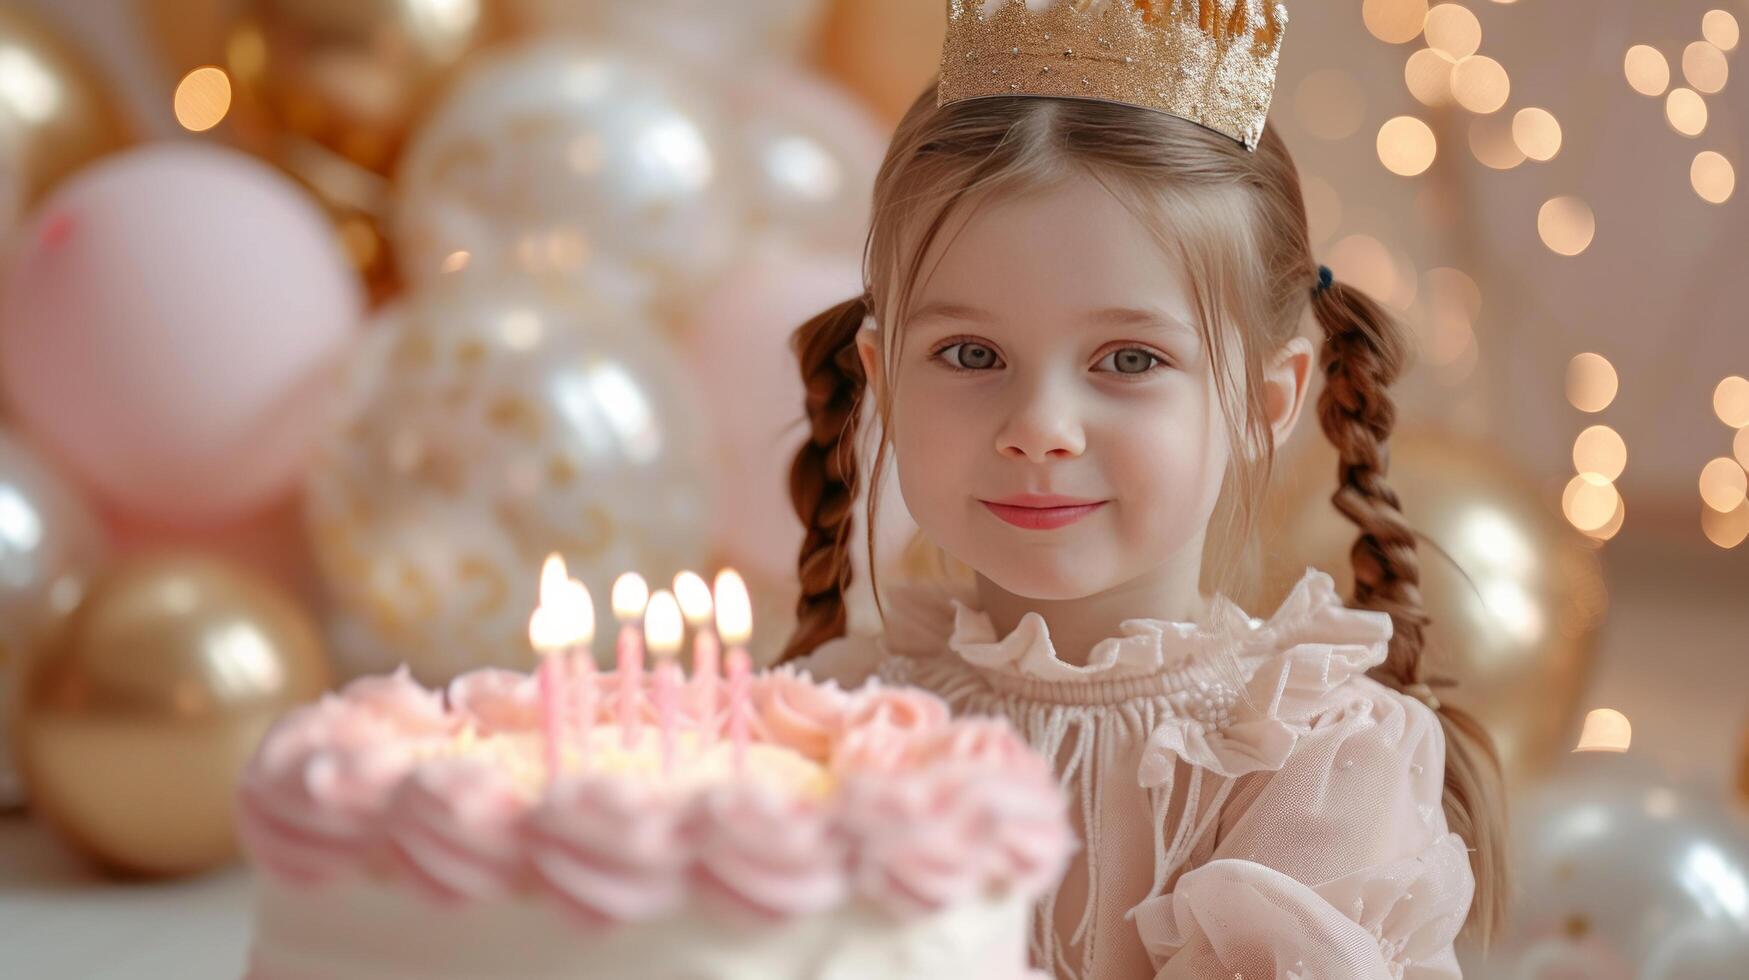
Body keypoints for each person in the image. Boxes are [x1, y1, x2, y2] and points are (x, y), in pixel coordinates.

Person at [778, 2, 1506, 977]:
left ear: (1264, 397)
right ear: (883, 380)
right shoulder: (831, 722)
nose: (1041, 427)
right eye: (970, 352)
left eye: (1128, 357)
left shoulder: (1310, 765)